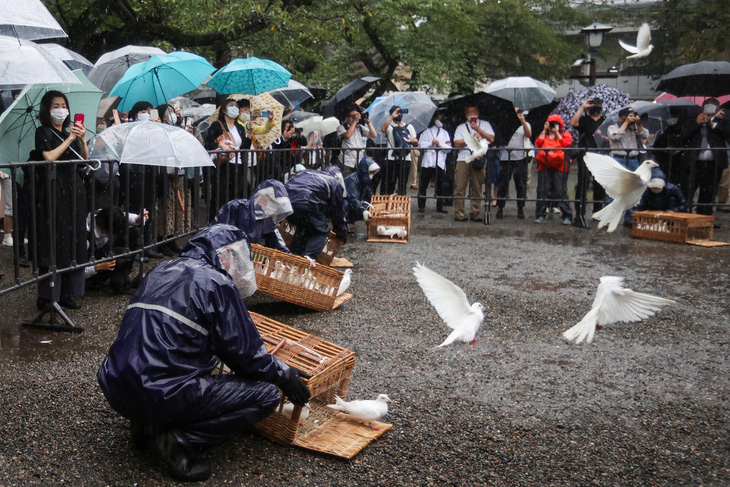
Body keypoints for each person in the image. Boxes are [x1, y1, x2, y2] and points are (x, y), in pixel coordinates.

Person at [97, 225, 311, 482]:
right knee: (265, 395)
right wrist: (283, 373)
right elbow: (246, 356)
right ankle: (178, 441)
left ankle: (145, 423)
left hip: (116, 385)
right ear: (226, 255)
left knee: (164, 366)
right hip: (160, 393)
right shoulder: (215, 282)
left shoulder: (160, 270)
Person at [34, 90, 89, 310]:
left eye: (63, 105)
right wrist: (70, 138)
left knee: (73, 240)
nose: (60, 109)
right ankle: (47, 296)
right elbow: (48, 156)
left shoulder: (70, 134)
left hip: (74, 191)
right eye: (55, 105)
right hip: (54, 192)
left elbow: (84, 158)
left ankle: (67, 291)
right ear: (47, 109)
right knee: (55, 241)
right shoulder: (43, 131)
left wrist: (82, 139)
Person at [121, 101, 162, 259]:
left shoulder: (152, 128)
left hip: (149, 171)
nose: (146, 114)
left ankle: (147, 244)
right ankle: (135, 247)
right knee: (136, 208)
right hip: (134, 173)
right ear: (136, 113)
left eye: (149, 111)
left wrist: (158, 129)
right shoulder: (128, 127)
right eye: (143, 111)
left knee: (149, 206)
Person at [678, 98, 730, 217]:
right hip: (693, 163)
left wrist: (713, 123)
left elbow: (727, 133)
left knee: (708, 194)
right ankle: (685, 216)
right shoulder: (692, 121)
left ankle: (704, 218)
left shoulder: (722, 122)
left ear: (717, 109)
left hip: (713, 164)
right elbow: (683, 136)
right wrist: (697, 123)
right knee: (688, 191)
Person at [285, 168, 347, 259]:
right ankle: (308, 260)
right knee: (320, 231)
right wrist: (341, 233)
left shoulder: (304, 172)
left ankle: (295, 256)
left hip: (289, 201)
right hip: (308, 202)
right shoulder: (333, 182)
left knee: (302, 226)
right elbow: (338, 213)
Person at [215, 179, 292, 252]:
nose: (275, 209)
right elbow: (220, 236)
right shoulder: (236, 207)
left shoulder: (267, 218)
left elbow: (277, 243)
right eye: (274, 204)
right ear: (262, 197)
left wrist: (290, 259)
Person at [85, 206, 147, 294]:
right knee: (120, 253)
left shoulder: (102, 214)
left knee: (135, 232)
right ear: (103, 228)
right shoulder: (85, 238)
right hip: (92, 264)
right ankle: (111, 282)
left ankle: (123, 277)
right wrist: (97, 267)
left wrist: (137, 219)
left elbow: (124, 216)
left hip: (104, 251)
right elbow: (77, 271)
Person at [204, 98, 248, 222]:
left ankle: (233, 223)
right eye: (231, 105)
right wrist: (220, 146)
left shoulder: (240, 127)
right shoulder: (217, 125)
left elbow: (244, 147)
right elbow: (208, 145)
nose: (235, 108)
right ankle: (216, 223)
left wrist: (249, 134)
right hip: (223, 166)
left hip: (238, 166)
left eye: (236, 106)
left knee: (236, 196)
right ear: (224, 109)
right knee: (221, 197)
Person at [452, 105, 495, 221]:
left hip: (478, 157)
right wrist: (470, 139)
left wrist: (479, 131)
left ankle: (475, 212)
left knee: (477, 186)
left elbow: (491, 139)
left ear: (478, 112)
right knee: (460, 186)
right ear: (466, 114)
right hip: (463, 158)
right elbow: (457, 143)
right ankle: (459, 212)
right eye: (469, 112)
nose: (472, 114)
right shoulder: (461, 127)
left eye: (474, 111)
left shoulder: (485, 124)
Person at [570, 97, 606, 223]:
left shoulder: (605, 120)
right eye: (593, 105)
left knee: (599, 185)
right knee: (582, 184)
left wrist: (603, 135)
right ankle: (579, 212)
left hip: (600, 155)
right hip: (585, 154)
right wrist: (582, 107)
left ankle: (597, 212)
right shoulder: (584, 119)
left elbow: (610, 137)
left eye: (597, 104)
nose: (595, 107)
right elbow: (573, 123)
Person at [534, 114, 573, 225]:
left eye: (556, 124)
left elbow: (566, 144)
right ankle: (540, 214)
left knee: (560, 191)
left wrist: (556, 133)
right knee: (542, 190)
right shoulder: (544, 134)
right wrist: (544, 130)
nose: (553, 126)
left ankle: (567, 215)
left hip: (559, 166)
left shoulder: (565, 134)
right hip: (544, 165)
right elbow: (538, 143)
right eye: (551, 123)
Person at [496, 107, 531, 219]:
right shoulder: (505, 123)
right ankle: (500, 207)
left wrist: (522, 121)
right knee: (503, 184)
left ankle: (520, 208)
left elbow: (529, 134)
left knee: (520, 184)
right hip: (506, 158)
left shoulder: (525, 124)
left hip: (520, 158)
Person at [417, 111, 451, 213]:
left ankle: (440, 205)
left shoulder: (445, 133)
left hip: (439, 161)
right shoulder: (427, 132)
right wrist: (430, 143)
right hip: (428, 161)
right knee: (423, 184)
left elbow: (449, 148)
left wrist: (440, 145)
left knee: (440, 184)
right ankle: (421, 204)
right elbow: (421, 144)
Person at [380, 106, 418, 195]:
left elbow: (416, 143)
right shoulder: (390, 126)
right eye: (397, 112)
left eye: (400, 112)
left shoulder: (409, 127)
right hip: (391, 159)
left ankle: (400, 205)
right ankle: (386, 204)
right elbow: (383, 129)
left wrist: (414, 141)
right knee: (388, 184)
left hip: (406, 158)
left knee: (402, 185)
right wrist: (391, 117)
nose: (399, 114)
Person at [337, 104, 377, 177]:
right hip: (347, 161)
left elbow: (374, 135)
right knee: (348, 181)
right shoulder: (341, 128)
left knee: (358, 182)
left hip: (359, 160)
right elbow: (348, 135)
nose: (356, 117)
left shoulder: (360, 128)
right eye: (353, 116)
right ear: (347, 117)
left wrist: (368, 122)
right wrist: (355, 121)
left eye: (357, 115)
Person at [344, 157, 379, 223]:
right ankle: (343, 224)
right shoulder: (352, 180)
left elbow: (370, 195)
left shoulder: (365, 180)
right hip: (346, 203)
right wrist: (363, 210)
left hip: (355, 203)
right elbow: (353, 199)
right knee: (346, 205)